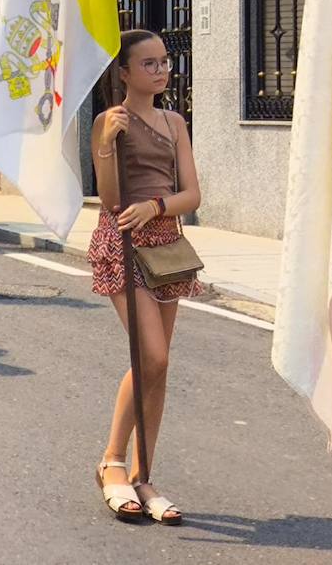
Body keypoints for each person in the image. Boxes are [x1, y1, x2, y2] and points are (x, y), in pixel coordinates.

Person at [88, 29, 201, 526]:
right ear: (125, 72)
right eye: (149, 64)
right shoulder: (107, 122)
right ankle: (112, 462)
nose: (160, 70)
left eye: (164, 62)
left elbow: (192, 195)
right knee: (148, 354)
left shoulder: (175, 123)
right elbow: (111, 199)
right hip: (123, 245)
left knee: (160, 365)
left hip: (167, 246)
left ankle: (144, 474)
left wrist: (157, 205)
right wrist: (110, 146)